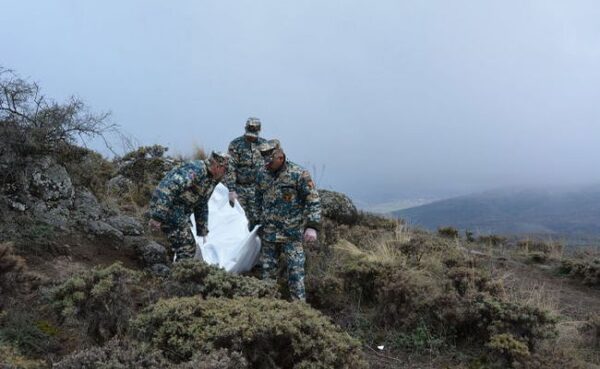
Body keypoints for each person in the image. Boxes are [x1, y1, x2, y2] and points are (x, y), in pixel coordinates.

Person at [255, 144, 321, 301]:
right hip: (269, 234)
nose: (267, 165)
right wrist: (255, 222)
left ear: (280, 157)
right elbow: (256, 198)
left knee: (295, 274)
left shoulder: (298, 174)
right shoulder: (262, 173)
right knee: (267, 274)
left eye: (270, 162)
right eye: (265, 161)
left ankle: (299, 311)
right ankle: (267, 310)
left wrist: (312, 226)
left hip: (291, 234)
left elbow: (313, 199)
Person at [148, 151, 229, 261]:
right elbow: (170, 188)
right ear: (217, 166)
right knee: (187, 247)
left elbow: (202, 204)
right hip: (168, 208)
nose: (226, 173)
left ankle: (179, 272)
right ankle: (179, 276)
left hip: (179, 212)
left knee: (187, 246)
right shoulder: (196, 170)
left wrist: (202, 230)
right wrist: (157, 216)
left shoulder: (211, 180)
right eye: (225, 169)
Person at [224, 117, 267, 228]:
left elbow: (269, 167)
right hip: (239, 188)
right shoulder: (236, 144)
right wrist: (231, 189)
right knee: (239, 219)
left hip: (257, 189)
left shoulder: (264, 145)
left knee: (257, 220)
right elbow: (230, 167)